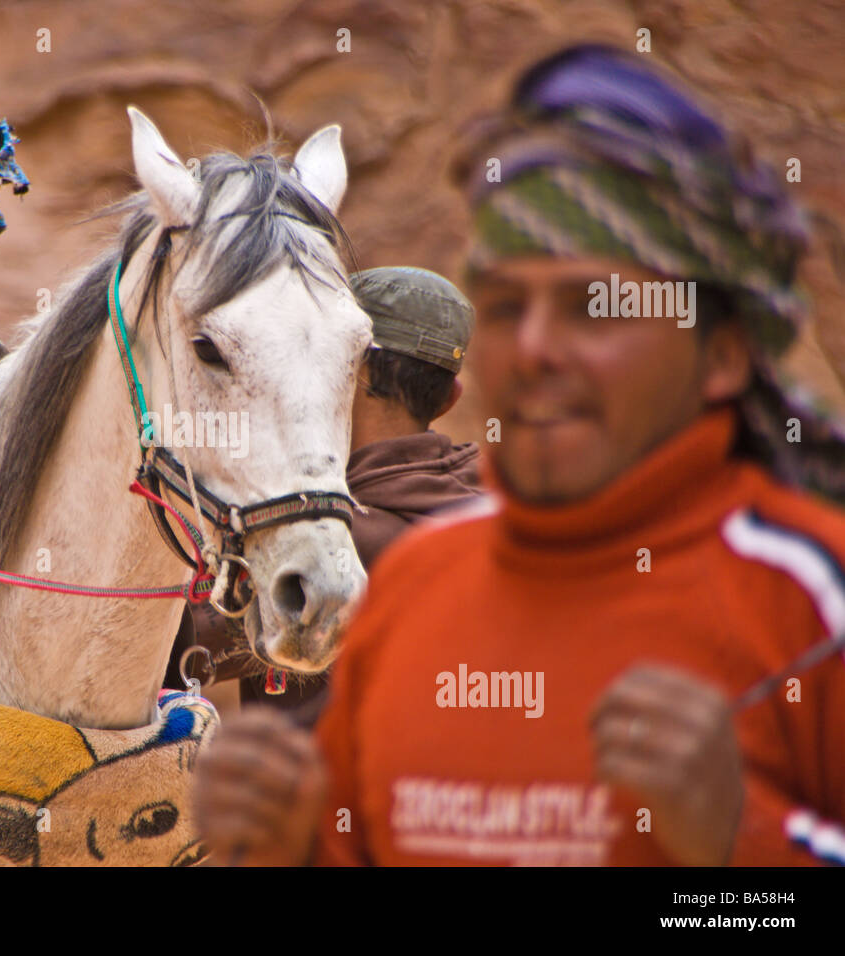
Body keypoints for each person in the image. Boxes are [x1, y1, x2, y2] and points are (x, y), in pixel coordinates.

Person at [194, 43, 845, 866]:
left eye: (592, 309)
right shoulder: (418, 584)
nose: (537, 347)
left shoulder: (810, 605)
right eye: (507, 304)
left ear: (719, 354)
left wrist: (733, 844)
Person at [166, 266, 482, 712]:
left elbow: (165, 656)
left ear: (348, 370)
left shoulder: (318, 538)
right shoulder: (495, 515)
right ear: (452, 397)